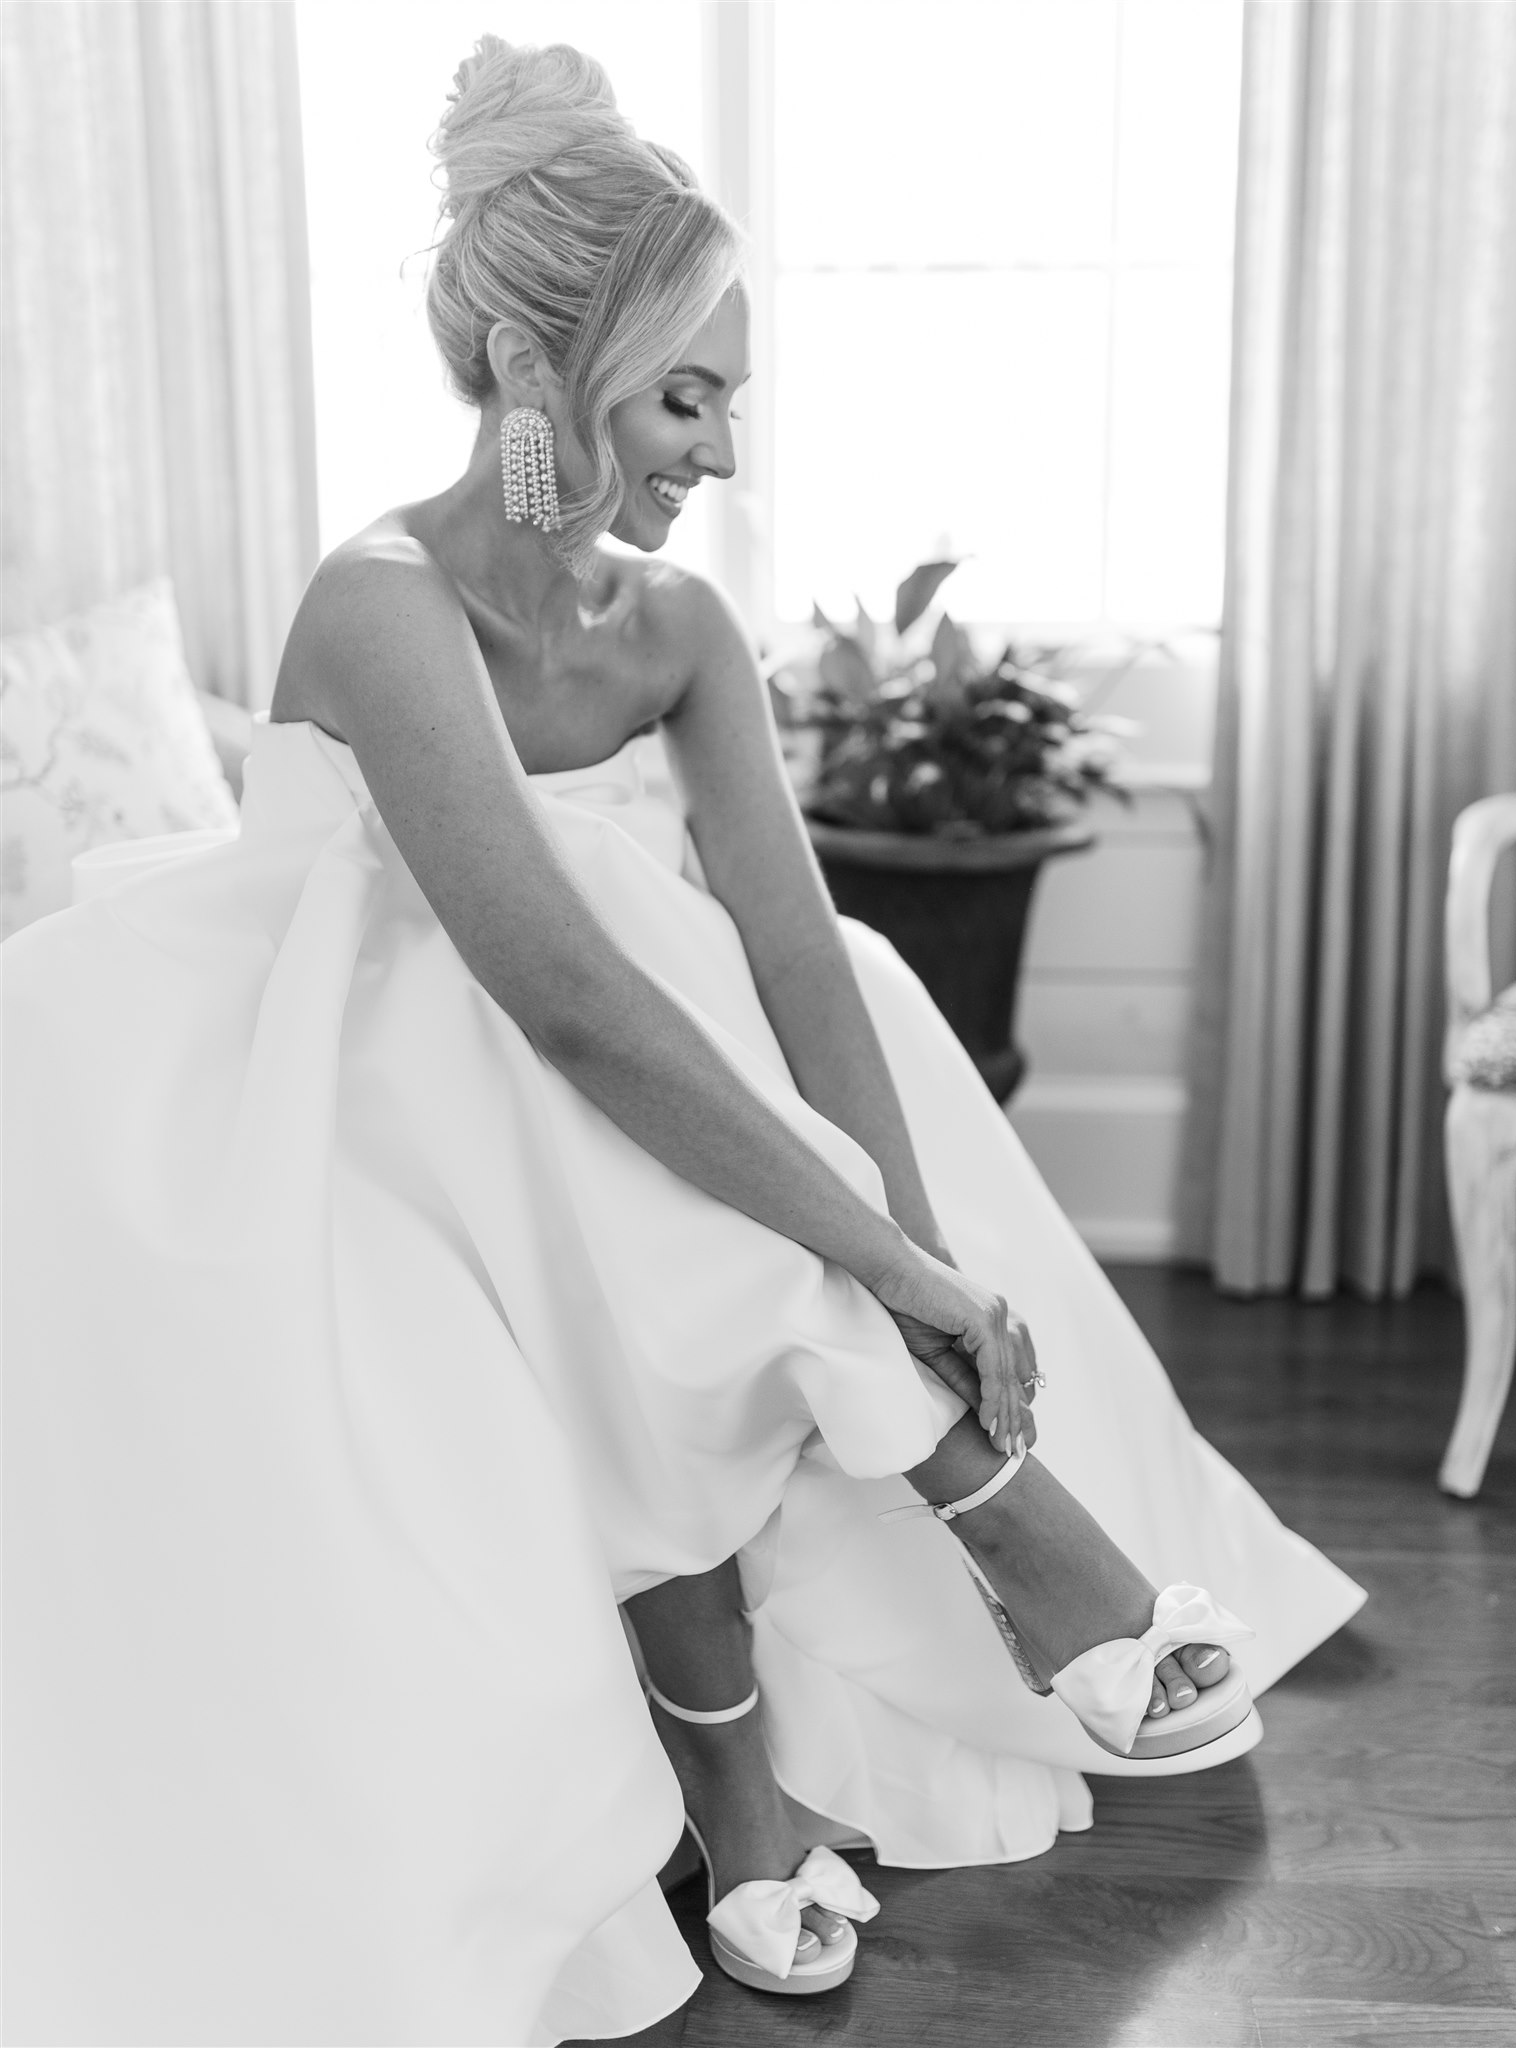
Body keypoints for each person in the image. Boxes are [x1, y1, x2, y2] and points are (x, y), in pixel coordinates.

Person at [1, 37, 1364, 2047]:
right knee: (576, 1004)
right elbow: (555, 987)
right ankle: (991, 1539)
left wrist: (934, 1268)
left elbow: (803, 963)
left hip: (543, 1103)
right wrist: (881, 1263)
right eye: (686, 395)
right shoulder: (381, 603)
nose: (724, 451)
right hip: (312, 1065)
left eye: (736, 397)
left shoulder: (675, 631)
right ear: (553, 382)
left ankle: (764, 1768)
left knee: (705, 1009)